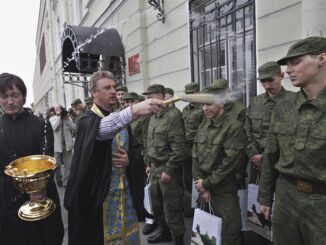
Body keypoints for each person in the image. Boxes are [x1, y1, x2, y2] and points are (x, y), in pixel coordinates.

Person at [64, 71, 164, 245]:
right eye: (106, 88)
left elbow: (135, 150)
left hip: (126, 197)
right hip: (100, 201)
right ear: (93, 93)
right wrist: (134, 110)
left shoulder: (121, 120)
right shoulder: (86, 120)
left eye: (114, 87)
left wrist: (130, 160)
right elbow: (103, 130)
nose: (112, 91)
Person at [258, 36, 326, 245]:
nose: (288, 70)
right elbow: (270, 155)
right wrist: (265, 197)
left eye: (296, 62)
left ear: (322, 59)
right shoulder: (284, 107)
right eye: (287, 64)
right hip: (286, 196)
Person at [0, 73, 64, 245]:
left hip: (40, 196)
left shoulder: (41, 124)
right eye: (4, 97)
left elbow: (47, 160)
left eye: (14, 95)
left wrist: (39, 189)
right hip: (8, 201)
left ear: (24, 96)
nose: (10, 101)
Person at [192, 83, 247, 245]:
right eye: (203, 104)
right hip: (203, 190)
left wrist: (207, 184)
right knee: (205, 236)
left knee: (228, 235)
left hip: (224, 193)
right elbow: (195, 156)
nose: (204, 108)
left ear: (221, 103)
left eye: (208, 104)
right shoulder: (204, 126)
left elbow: (230, 163)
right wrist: (200, 185)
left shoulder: (233, 127)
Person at [143, 84, 186, 245]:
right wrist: (148, 162)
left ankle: (178, 238)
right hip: (154, 168)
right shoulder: (153, 116)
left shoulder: (173, 116)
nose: (148, 101)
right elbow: (150, 142)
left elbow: (178, 147)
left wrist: (169, 170)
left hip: (167, 170)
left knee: (172, 207)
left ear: (161, 97)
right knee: (157, 205)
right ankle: (165, 232)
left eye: (151, 97)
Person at [245, 61, 294, 184]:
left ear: (281, 75)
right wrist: (255, 156)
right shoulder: (255, 102)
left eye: (271, 80)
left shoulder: (294, 100)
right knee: (257, 201)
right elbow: (246, 132)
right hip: (257, 164)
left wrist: (267, 159)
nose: (267, 86)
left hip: (284, 165)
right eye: (263, 81)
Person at [181, 82, 204, 217]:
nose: (190, 96)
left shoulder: (203, 108)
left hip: (198, 148)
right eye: (187, 94)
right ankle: (192, 203)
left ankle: (199, 205)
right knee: (187, 178)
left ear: (198, 92)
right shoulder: (185, 110)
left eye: (192, 93)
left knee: (198, 177)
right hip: (186, 148)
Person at [49, 105, 76, 187]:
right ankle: (59, 179)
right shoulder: (52, 119)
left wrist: (67, 119)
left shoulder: (68, 119)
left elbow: (75, 128)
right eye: (57, 109)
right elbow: (54, 127)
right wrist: (59, 118)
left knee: (68, 165)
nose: (59, 110)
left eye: (60, 109)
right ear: (55, 110)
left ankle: (66, 182)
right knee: (56, 165)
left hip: (67, 147)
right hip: (57, 147)